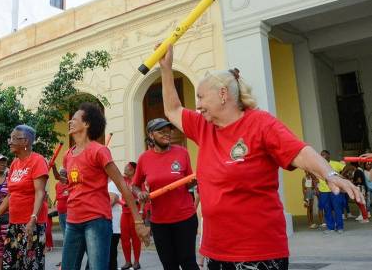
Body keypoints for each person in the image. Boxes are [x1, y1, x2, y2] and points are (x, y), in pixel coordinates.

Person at [158, 45, 363, 270]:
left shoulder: (261, 124)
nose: (197, 105)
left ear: (223, 94)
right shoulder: (203, 127)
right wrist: (166, 69)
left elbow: (299, 151)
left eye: (201, 97)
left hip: (259, 252)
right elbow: (173, 110)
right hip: (217, 251)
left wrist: (329, 173)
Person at [61, 102, 150, 270]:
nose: (70, 122)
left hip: (96, 220)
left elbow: (122, 185)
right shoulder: (67, 154)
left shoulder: (99, 151)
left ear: (86, 124)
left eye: (74, 119)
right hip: (72, 220)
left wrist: (138, 221)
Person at [133, 118, 199, 270]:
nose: (167, 134)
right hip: (159, 221)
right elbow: (135, 185)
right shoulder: (144, 158)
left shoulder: (182, 153)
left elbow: (189, 182)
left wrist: (197, 180)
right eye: (161, 131)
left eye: (168, 131)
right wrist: (140, 193)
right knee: (169, 265)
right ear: (151, 135)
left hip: (185, 218)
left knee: (188, 262)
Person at [0, 125, 49, 270]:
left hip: (32, 224)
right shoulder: (14, 164)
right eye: (10, 138)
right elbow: (11, 194)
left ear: (25, 141)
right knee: (12, 265)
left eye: (13, 138)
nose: (9, 142)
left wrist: (33, 219)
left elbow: (40, 192)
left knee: (31, 265)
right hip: (14, 224)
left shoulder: (38, 161)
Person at [120, 162, 142, 270]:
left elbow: (143, 196)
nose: (125, 169)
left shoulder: (138, 182)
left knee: (136, 238)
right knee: (124, 238)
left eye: (127, 168)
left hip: (135, 213)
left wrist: (136, 202)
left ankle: (136, 262)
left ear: (133, 170)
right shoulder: (123, 180)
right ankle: (127, 261)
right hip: (124, 213)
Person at [319, 150, 345, 233]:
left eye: (324, 154)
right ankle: (330, 228)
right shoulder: (319, 165)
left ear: (328, 155)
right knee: (327, 209)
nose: (322, 156)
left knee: (337, 208)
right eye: (321, 155)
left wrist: (342, 175)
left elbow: (348, 166)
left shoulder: (335, 164)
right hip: (323, 191)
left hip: (335, 190)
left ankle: (340, 227)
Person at [108, 179, 122, 270]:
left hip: (112, 225)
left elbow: (112, 200)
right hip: (108, 224)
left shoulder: (112, 184)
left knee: (111, 254)